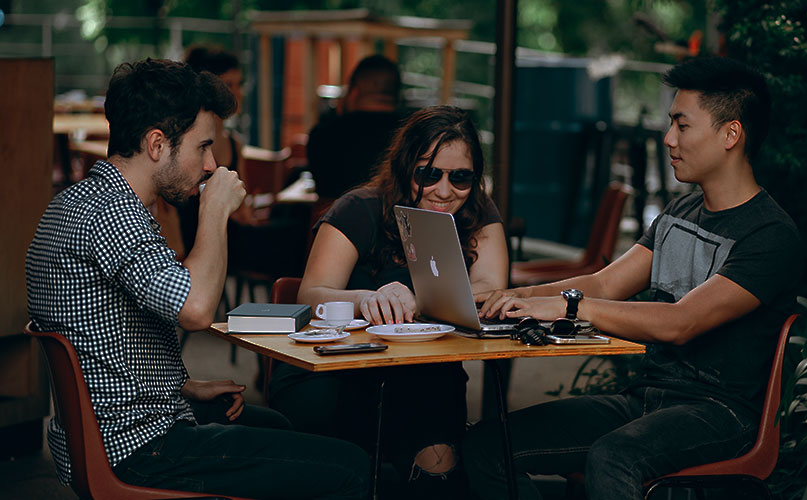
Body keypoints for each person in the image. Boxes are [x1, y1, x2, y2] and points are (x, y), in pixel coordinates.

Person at [25, 58, 369, 500]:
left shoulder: (82, 201)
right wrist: (214, 213)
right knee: (351, 468)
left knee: (278, 424)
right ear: (156, 144)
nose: (210, 164)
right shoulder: (112, 214)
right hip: (138, 448)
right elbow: (197, 310)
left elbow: (100, 335)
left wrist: (181, 385)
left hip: (114, 432)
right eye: (202, 147)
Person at [464, 57, 803, 500]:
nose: (668, 139)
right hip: (646, 399)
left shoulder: (769, 235)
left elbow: (680, 323)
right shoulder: (678, 213)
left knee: (613, 456)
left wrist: (568, 307)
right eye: (670, 124)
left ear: (730, 134)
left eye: (682, 125)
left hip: (721, 414)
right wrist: (514, 296)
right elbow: (605, 284)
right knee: (486, 446)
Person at [268, 106, 508, 499]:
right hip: (335, 373)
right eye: (429, 174)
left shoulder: (477, 212)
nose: (445, 191)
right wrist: (367, 298)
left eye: (461, 177)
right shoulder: (359, 208)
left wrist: (423, 297)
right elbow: (310, 296)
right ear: (404, 167)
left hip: (422, 377)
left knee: (439, 466)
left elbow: (489, 287)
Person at [178, 43, 257, 254]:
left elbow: (243, 209)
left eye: (239, 84)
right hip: (189, 242)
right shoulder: (182, 140)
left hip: (228, 240)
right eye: (229, 85)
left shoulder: (235, 144)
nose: (237, 93)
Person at [306, 54, 406, 200]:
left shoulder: (323, 134)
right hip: (392, 220)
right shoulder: (411, 134)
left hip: (333, 219)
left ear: (354, 91)